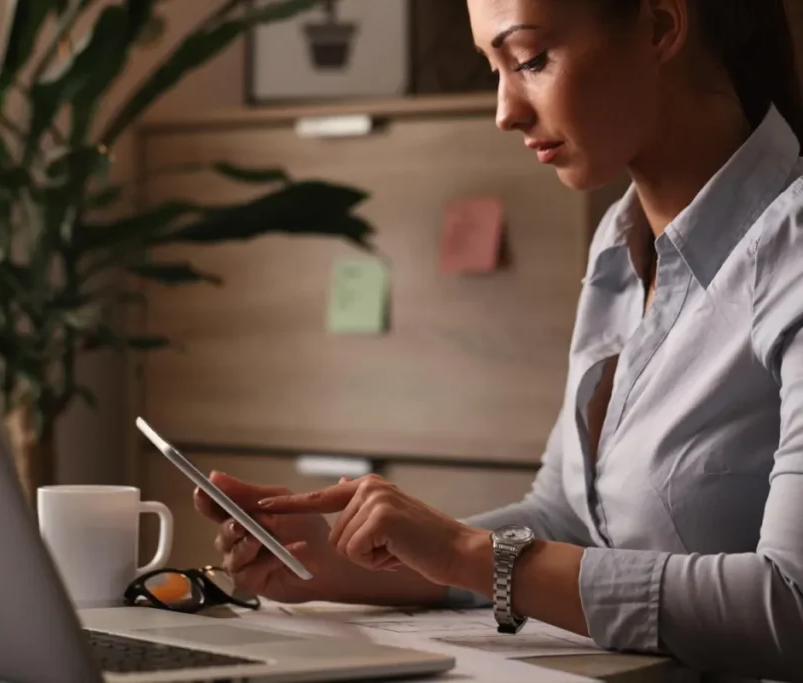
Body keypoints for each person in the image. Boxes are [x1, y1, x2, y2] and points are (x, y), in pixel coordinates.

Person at [192, 0, 803, 680]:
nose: (505, 110)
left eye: (531, 60)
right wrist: (357, 560)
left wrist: (465, 550)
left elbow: (791, 606)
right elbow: (568, 515)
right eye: (496, 68)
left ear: (661, 25)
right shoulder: (619, 246)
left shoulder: (791, 251)